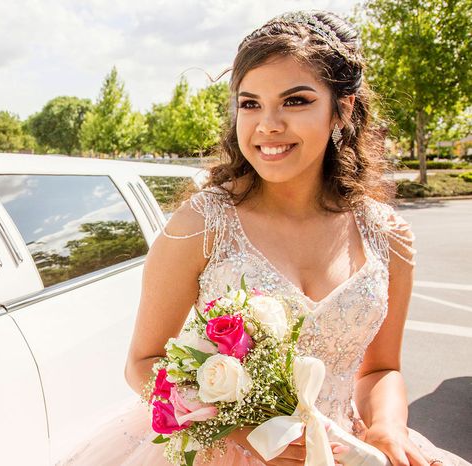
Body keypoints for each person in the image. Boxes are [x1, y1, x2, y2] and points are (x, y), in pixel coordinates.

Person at [117, 10, 469, 466]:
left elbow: (381, 369)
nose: (268, 124)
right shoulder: (202, 224)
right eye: (250, 104)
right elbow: (143, 364)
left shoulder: (388, 236)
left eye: (296, 101)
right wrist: (249, 432)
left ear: (342, 109)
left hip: (346, 452)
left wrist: (387, 426)